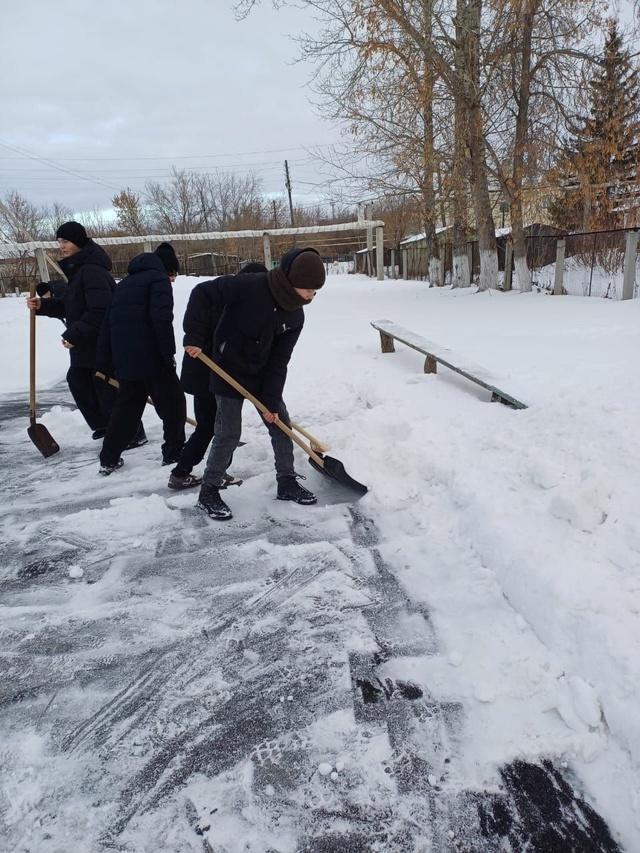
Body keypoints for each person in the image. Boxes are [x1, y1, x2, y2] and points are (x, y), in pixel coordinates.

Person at [194, 247, 326, 521]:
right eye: (308, 289)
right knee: (228, 432)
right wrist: (193, 335)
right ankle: (208, 490)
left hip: (262, 374)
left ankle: (286, 481)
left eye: (316, 291)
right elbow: (202, 293)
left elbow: (279, 361)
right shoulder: (250, 286)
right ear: (292, 281)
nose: (311, 296)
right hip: (227, 368)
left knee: (281, 424)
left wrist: (271, 399)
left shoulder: (296, 316)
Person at [26, 221, 145, 445]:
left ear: (79, 241)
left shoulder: (91, 272)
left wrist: (74, 334)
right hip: (88, 342)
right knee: (79, 380)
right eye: (59, 241)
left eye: (66, 241)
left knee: (107, 387)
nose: (61, 246)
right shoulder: (79, 270)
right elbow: (74, 306)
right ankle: (105, 425)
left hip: (100, 341)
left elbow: (101, 312)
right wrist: (43, 306)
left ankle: (132, 432)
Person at [167, 261, 268, 491]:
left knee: (210, 426)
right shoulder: (231, 303)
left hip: (202, 374)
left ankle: (184, 471)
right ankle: (193, 472)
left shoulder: (224, 294)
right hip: (212, 376)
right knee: (220, 429)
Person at [96, 242, 187, 475]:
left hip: (125, 359)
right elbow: (162, 319)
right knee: (173, 405)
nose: (173, 280)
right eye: (174, 275)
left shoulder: (124, 284)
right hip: (153, 357)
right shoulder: (158, 281)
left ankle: (108, 458)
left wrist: (104, 362)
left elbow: (107, 324)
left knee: (126, 409)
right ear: (169, 269)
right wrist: (169, 355)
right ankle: (174, 452)